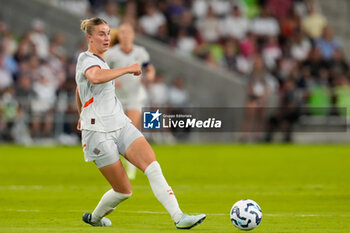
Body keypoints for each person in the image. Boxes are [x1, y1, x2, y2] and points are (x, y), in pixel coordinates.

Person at [75, 17, 206, 229]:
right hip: (98, 133)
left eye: (108, 33)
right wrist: (127, 69)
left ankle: (179, 217)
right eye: (101, 33)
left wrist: (80, 113)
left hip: (120, 123)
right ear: (89, 37)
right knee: (124, 191)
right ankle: (95, 218)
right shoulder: (86, 59)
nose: (107, 38)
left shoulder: (105, 59)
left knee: (153, 167)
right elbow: (95, 78)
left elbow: (78, 89)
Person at [105, 23, 155, 179]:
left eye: (128, 32)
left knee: (131, 129)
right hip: (116, 97)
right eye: (122, 32)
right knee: (116, 133)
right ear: (119, 36)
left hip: (135, 95)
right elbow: (104, 72)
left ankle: (131, 168)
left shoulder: (140, 52)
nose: (125, 35)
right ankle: (116, 164)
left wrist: (150, 75)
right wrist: (113, 81)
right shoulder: (111, 54)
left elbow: (148, 67)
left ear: (133, 35)